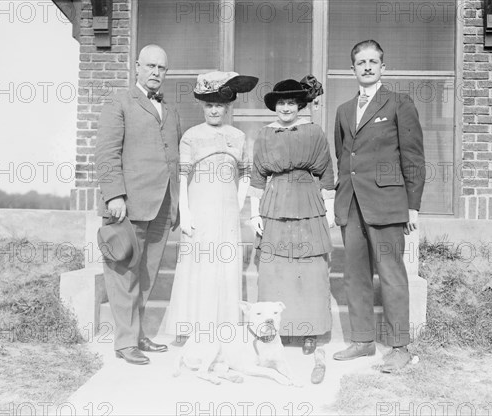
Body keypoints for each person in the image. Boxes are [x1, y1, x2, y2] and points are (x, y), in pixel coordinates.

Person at [332, 40, 425, 372]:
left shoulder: (400, 103)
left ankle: (399, 346)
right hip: (351, 204)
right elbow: (344, 157)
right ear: (353, 69)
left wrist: (412, 206)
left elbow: (413, 158)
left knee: (391, 274)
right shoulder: (344, 110)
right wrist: (338, 200)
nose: (367, 67)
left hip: (387, 203)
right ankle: (362, 341)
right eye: (361, 62)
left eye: (373, 61)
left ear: (383, 68)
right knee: (354, 274)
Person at [95, 44, 182, 365]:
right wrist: (113, 194)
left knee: (146, 274)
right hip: (127, 205)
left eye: (162, 68)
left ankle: (138, 334)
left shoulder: (170, 111)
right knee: (123, 271)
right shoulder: (118, 102)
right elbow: (106, 153)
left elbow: (174, 161)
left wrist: (176, 205)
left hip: (162, 207)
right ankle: (124, 342)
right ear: (136, 67)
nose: (156, 73)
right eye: (150, 66)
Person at [165, 71, 258, 337]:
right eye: (209, 105)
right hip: (199, 208)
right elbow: (181, 177)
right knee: (198, 265)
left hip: (227, 211)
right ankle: (193, 328)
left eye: (220, 105)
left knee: (225, 267)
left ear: (228, 108)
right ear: (202, 106)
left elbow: (246, 175)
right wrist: (185, 212)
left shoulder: (238, 137)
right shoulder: (191, 136)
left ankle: (222, 329)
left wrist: (239, 205)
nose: (214, 110)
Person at [249, 75, 335, 356]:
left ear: (300, 105)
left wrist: (330, 208)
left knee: (309, 269)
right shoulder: (264, 134)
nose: (286, 108)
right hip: (275, 204)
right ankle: (277, 330)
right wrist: (254, 214)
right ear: (276, 106)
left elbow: (326, 172)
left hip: (307, 202)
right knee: (276, 268)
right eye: (282, 103)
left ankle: (309, 331)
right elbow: (258, 176)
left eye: (292, 103)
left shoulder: (314, 133)